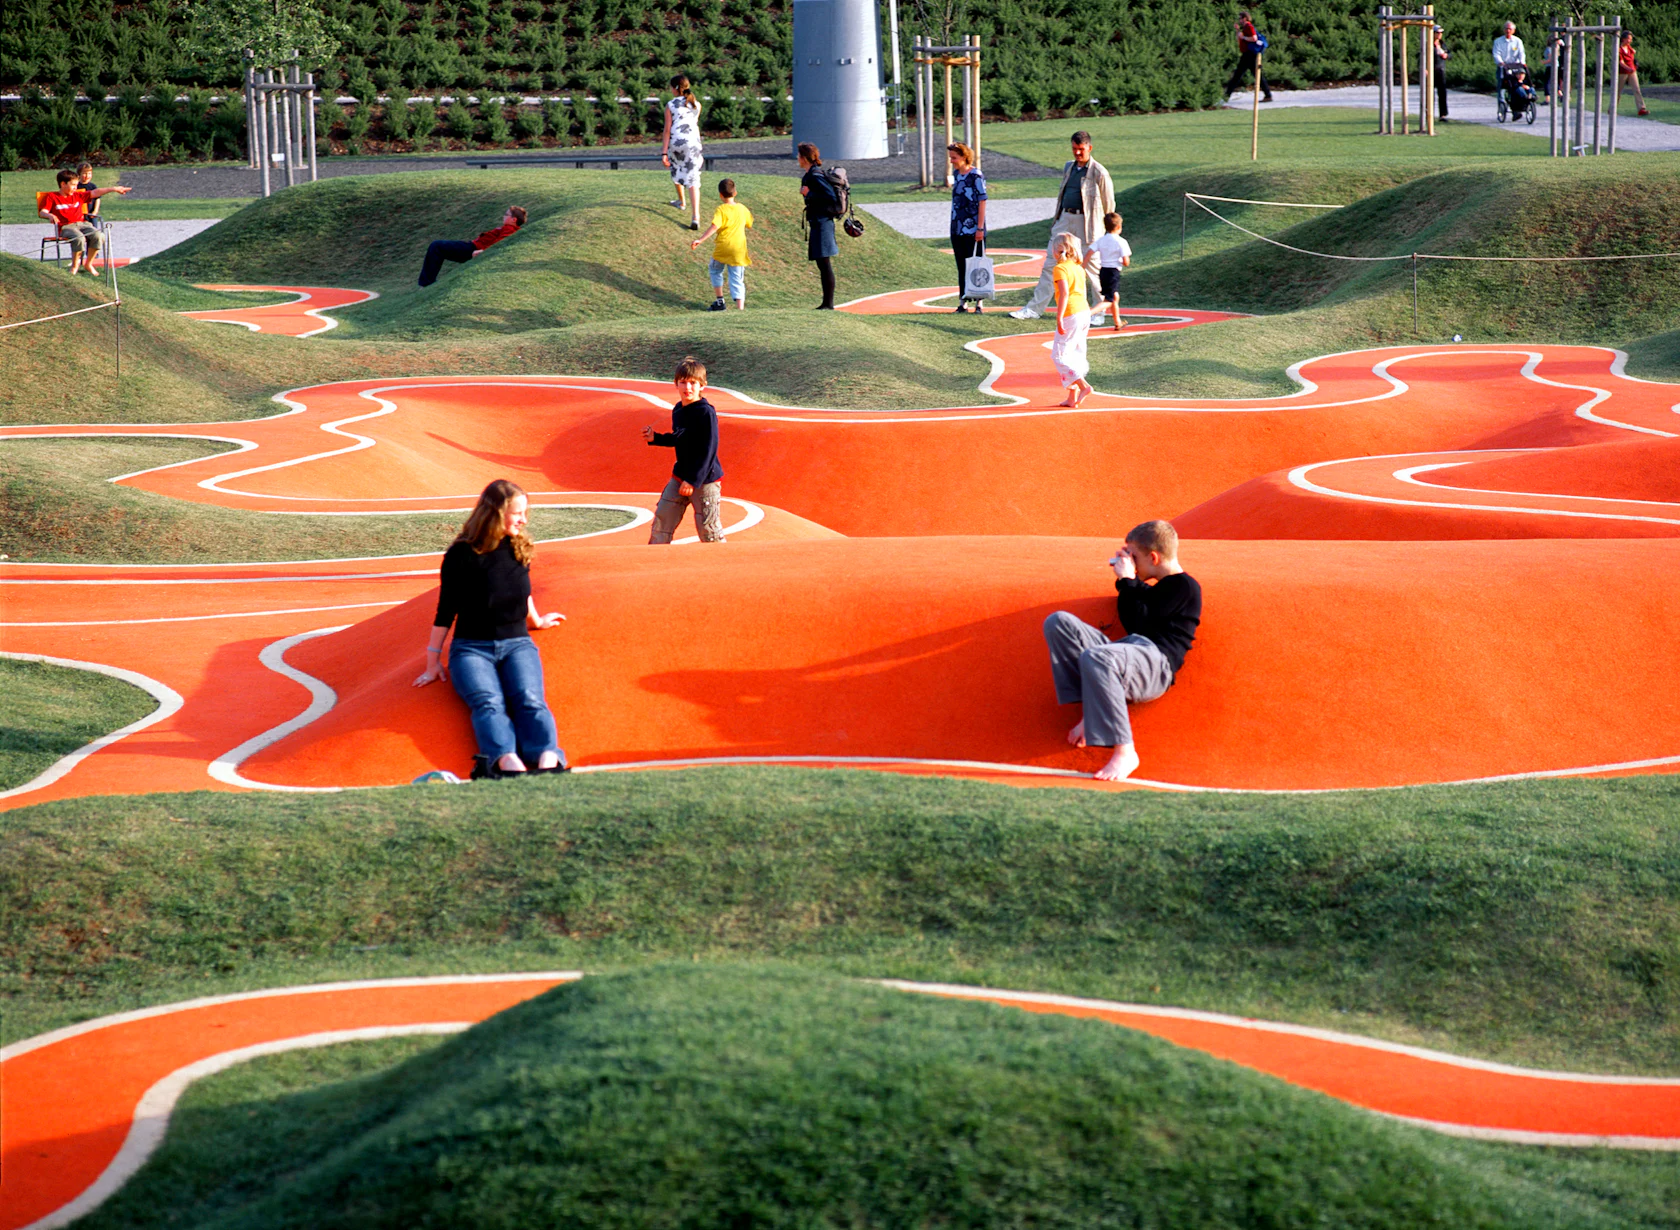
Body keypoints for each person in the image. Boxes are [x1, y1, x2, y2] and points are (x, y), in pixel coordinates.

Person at [414, 478, 568, 780]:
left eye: (524, 513)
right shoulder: (460, 555)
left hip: (517, 643)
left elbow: (522, 592)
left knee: (529, 698)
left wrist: (536, 621)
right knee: (488, 702)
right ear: (496, 514)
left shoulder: (519, 546)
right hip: (471, 649)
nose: (523, 520)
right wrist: (433, 661)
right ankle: (504, 759)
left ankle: (547, 756)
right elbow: (446, 610)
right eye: (517, 513)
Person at [1042, 519, 1202, 782]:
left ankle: (1125, 751)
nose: (1131, 562)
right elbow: (1139, 608)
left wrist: (1128, 580)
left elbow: (1140, 624)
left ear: (1153, 557)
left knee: (1097, 657)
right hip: (1129, 654)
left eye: (1134, 556)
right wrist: (1129, 582)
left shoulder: (1185, 587)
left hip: (1156, 662)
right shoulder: (1155, 589)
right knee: (1058, 622)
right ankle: (1091, 709)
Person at [1009, 131, 1113, 321]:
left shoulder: (1099, 172)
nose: (1077, 153)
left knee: (1092, 268)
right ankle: (1034, 309)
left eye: (1081, 149)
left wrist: (1108, 231)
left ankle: (1098, 313)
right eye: (1074, 148)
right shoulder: (1068, 167)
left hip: (1088, 225)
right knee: (1051, 263)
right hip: (1065, 219)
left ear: (1089, 148)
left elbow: (1109, 204)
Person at [641, 355, 725, 543]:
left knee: (709, 530)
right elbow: (679, 438)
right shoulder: (678, 409)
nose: (688, 387)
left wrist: (692, 480)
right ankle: (654, 557)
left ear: (702, 386)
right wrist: (656, 438)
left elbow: (708, 449)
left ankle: (722, 560)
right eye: (683, 382)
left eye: (693, 383)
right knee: (662, 520)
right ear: (676, 384)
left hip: (704, 481)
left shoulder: (705, 412)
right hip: (680, 476)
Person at [38, 168, 130, 276]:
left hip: (83, 224)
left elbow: (96, 192)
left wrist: (114, 189)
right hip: (66, 227)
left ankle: (88, 264)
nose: (75, 188)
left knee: (98, 235)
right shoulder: (52, 197)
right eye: (73, 185)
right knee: (79, 238)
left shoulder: (78, 195)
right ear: (63, 184)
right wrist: (50, 215)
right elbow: (42, 212)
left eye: (76, 185)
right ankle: (75, 266)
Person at [417, 206, 525, 287]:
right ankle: (427, 282)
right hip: (472, 247)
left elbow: (499, 243)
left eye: (506, 214)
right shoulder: (506, 228)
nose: (503, 216)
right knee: (438, 247)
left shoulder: (510, 229)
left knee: (437, 246)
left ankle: (426, 283)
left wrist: (483, 252)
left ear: (514, 219)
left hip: (473, 249)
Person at [690, 178, 752, 310]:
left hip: (723, 248)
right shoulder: (742, 209)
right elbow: (749, 223)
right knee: (737, 277)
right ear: (735, 193)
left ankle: (720, 301)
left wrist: (700, 240)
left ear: (720, 195)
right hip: (738, 249)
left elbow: (715, 226)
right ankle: (740, 308)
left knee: (715, 270)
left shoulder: (721, 209)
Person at [1050, 233, 1094, 409]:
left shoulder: (1060, 269)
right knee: (1075, 354)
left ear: (1056, 250)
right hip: (1084, 312)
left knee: (1059, 356)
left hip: (1071, 313)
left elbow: (1065, 294)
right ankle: (1071, 397)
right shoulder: (1078, 268)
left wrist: (1059, 316)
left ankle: (1084, 386)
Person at [797, 142, 840, 311]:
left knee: (824, 263)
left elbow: (830, 197)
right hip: (818, 222)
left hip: (823, 223)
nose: (797, 159)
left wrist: (809, 194)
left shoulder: (815, 175)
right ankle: (826, 303)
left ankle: (828, 304)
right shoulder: (812, 174)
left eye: (799, 156)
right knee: (822, 263)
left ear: (804, 158)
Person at [947, 142, 988, 313]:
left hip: (973, 228)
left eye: (954, 158)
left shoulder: (976, 175)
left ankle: (979, 302)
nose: (951, 161)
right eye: (951, 157)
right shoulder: (957, 174)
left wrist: (980, 228)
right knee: (961, 265)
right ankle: (963, 300)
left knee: (976, 265)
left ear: (964, 157)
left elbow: (982, 200)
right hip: (957, 227)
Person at [662, 74, 704, 231]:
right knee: (693, 179)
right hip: (693, 144)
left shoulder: (670, 105)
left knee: (676, 167)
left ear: (675, 88)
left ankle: (681, 202)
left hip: (677, 143)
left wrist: (664, 153)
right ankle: (695, 217)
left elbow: (667, 130)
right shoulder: (696, 104)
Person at [1092, 211, 1131, 332]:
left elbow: (1090, 251)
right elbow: (1126, 262)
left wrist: (1083, 265)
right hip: (1113, 272)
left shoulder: (1101, 240)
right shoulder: (1121, 241)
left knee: (1114, 296)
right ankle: (1088, 314)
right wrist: (1121, 261)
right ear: (1119, 226)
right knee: (1110, 300)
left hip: (1103, 271)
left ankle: (1117, 322)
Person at [1224, 10, 1272, 103]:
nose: (1239, 20)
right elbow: (1240, 40)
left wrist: (1243, 37)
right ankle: (1268, 95)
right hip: (1249, 54)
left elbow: (1254, 38)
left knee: (1237, 75)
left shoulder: (1249, 26)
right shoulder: (1245, 28)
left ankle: (1226, 96)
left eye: (1240, 18)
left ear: (1245, 18)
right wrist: (1238, 31)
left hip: (1249, 54)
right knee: (1257, 75)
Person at [1619, 32, 1650, 117]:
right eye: (1629, 39)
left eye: (1631, 39)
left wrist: (1633, 65)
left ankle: (1641, 108)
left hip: (1632, 72)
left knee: (1637, 89)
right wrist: (1628, 68)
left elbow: (1633, 53)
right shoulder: (1619, 49)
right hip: (1622, 72)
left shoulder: (1629, 47)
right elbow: (1621, 62)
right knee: (1618, 91)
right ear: (1623, 39)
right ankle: (1612, 109)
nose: (1630, 41)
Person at [1492, 20, 1527, 95]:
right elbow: (1496, 53)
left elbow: (1521, 53)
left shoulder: (1517, 41)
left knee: (1516, 83)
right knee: (1501, 84)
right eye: (1506, 29)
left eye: (1510, 29)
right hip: (1503, 66)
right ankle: (1501, 99)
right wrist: (1500, 62)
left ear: (1513, 30)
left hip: (1515, 66)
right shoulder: (1498, 41)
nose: (1508, 31)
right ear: (1504, 30)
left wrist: (1522, 62)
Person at [1433, 26, 1451, 121]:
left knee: (1442, 93)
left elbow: (1450, 54)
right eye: (1438, 33)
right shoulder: (1428, 44)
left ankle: (1443, 114)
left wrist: (1447, 55)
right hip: (1431, 70)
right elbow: (1421, 56)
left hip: (1441, 70)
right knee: (1429, 94)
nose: (1440, 35)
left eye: (1441, 33)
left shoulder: (1442, 44)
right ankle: (1429, 113)